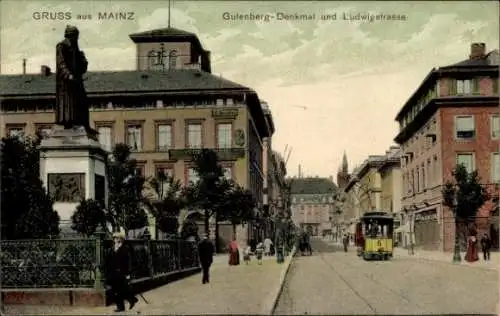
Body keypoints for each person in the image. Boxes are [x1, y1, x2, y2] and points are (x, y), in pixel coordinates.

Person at [105, 232, 138, 312]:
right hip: (113, 272)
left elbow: (129, 261)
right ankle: (131, 300)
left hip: (122, 272)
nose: (116, 240)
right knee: (115, 290)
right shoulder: (112, 248)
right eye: (115, 238)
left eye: (117, 238)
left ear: (121, 239)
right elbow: (109, 260)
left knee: (120, 290)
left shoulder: (126, 248)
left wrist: (128, 273)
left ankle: (124, 304)